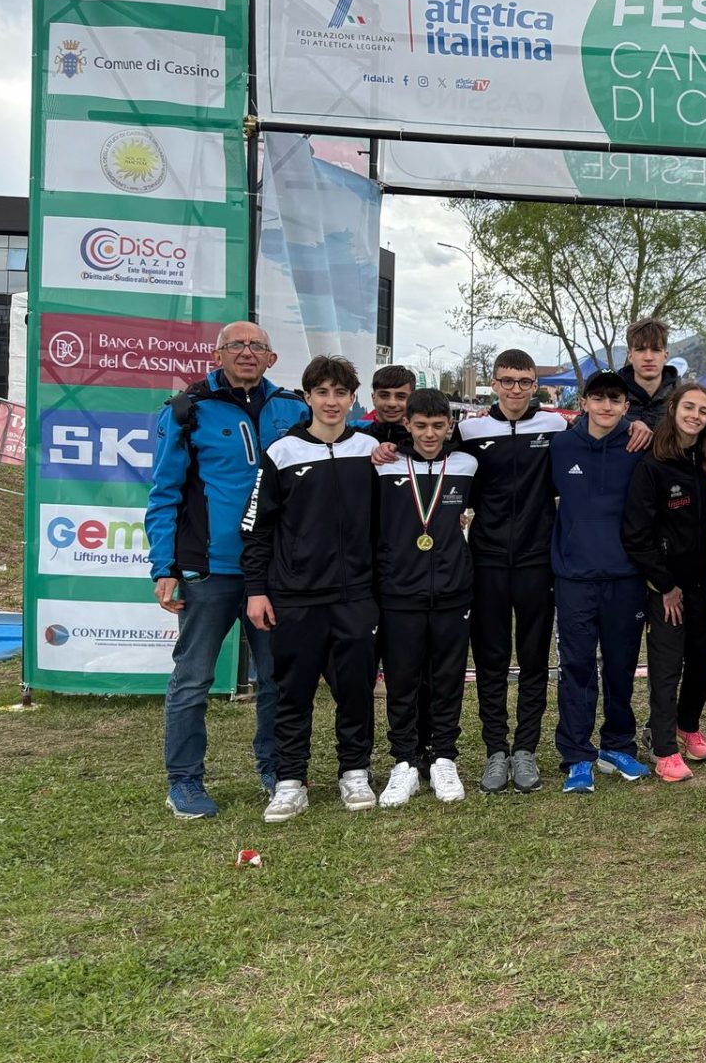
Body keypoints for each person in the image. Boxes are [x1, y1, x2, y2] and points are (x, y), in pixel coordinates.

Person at [147, 322, 310, 818]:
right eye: (235, 345)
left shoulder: (293, 408)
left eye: (256, 346)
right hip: (209, 570)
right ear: (217, 354)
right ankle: (184, 782)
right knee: (193, 679)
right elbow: (164, 493)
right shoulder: (187, 409)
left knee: (276, 679)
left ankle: (276, 770)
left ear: (271, 358)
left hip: (274, 572)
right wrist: (163, 566)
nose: (246, 352)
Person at [243, 356, 380, 824]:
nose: (331, 401)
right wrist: (256, 589)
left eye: (340, 393)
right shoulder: (282, 452)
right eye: (322, 392)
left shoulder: (369, 449)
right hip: (295, 596)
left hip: (356, 595)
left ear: (352, 399)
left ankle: (355, 772)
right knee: (293, 693)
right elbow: (256, 527)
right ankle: (290, 782)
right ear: (307, 398)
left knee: (356, 690)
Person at [460, 348, 569, 794]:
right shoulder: (470, 430)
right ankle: (495, 750)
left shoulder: (555, 426)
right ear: (494, 383)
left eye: (524, 382)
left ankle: (525, 749)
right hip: (485, 562)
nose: (516, 390)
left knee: (533, 659)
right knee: (490, 660)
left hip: (536, 560)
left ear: (535, 385)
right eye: (507, 381)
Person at [372, 389, 476, 807]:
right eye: (420, 426)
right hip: (399, 592)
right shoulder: (385, 464)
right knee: (402, 680)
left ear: (450, 425)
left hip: (453, 592)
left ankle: (444, 757)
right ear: (407, 425)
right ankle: (405, 761)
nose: (429, 434)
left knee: (448, 679)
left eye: (437, 426)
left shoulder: (467, 464)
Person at [551, 371, 650, 794]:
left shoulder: (639, 445)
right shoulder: (561, 446)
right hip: (575, 577)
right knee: (576, 666)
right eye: (598, 398)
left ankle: (617, 744)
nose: (606, 406)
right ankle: (577, 753)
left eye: (615, 399)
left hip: (625, 577)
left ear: (626, 406)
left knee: (621, 666)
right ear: (584, 402)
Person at [622, 382, 706, 782]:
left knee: (700, 661)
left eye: (703, 411)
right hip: (667, 590)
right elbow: (636, 534)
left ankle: (687, 725)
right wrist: (664, 584)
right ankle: (663, 747)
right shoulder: (652, 465)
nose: (695, 416)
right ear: (674, 409)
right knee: (666, 669)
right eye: (689, 407)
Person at [617, 317, 680, 449]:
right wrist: (625, 425)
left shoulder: (682, 399)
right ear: (630, 355)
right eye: (640, 349)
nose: (648, 358)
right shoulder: (612, 396)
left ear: (665, 355)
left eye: (656, 350)